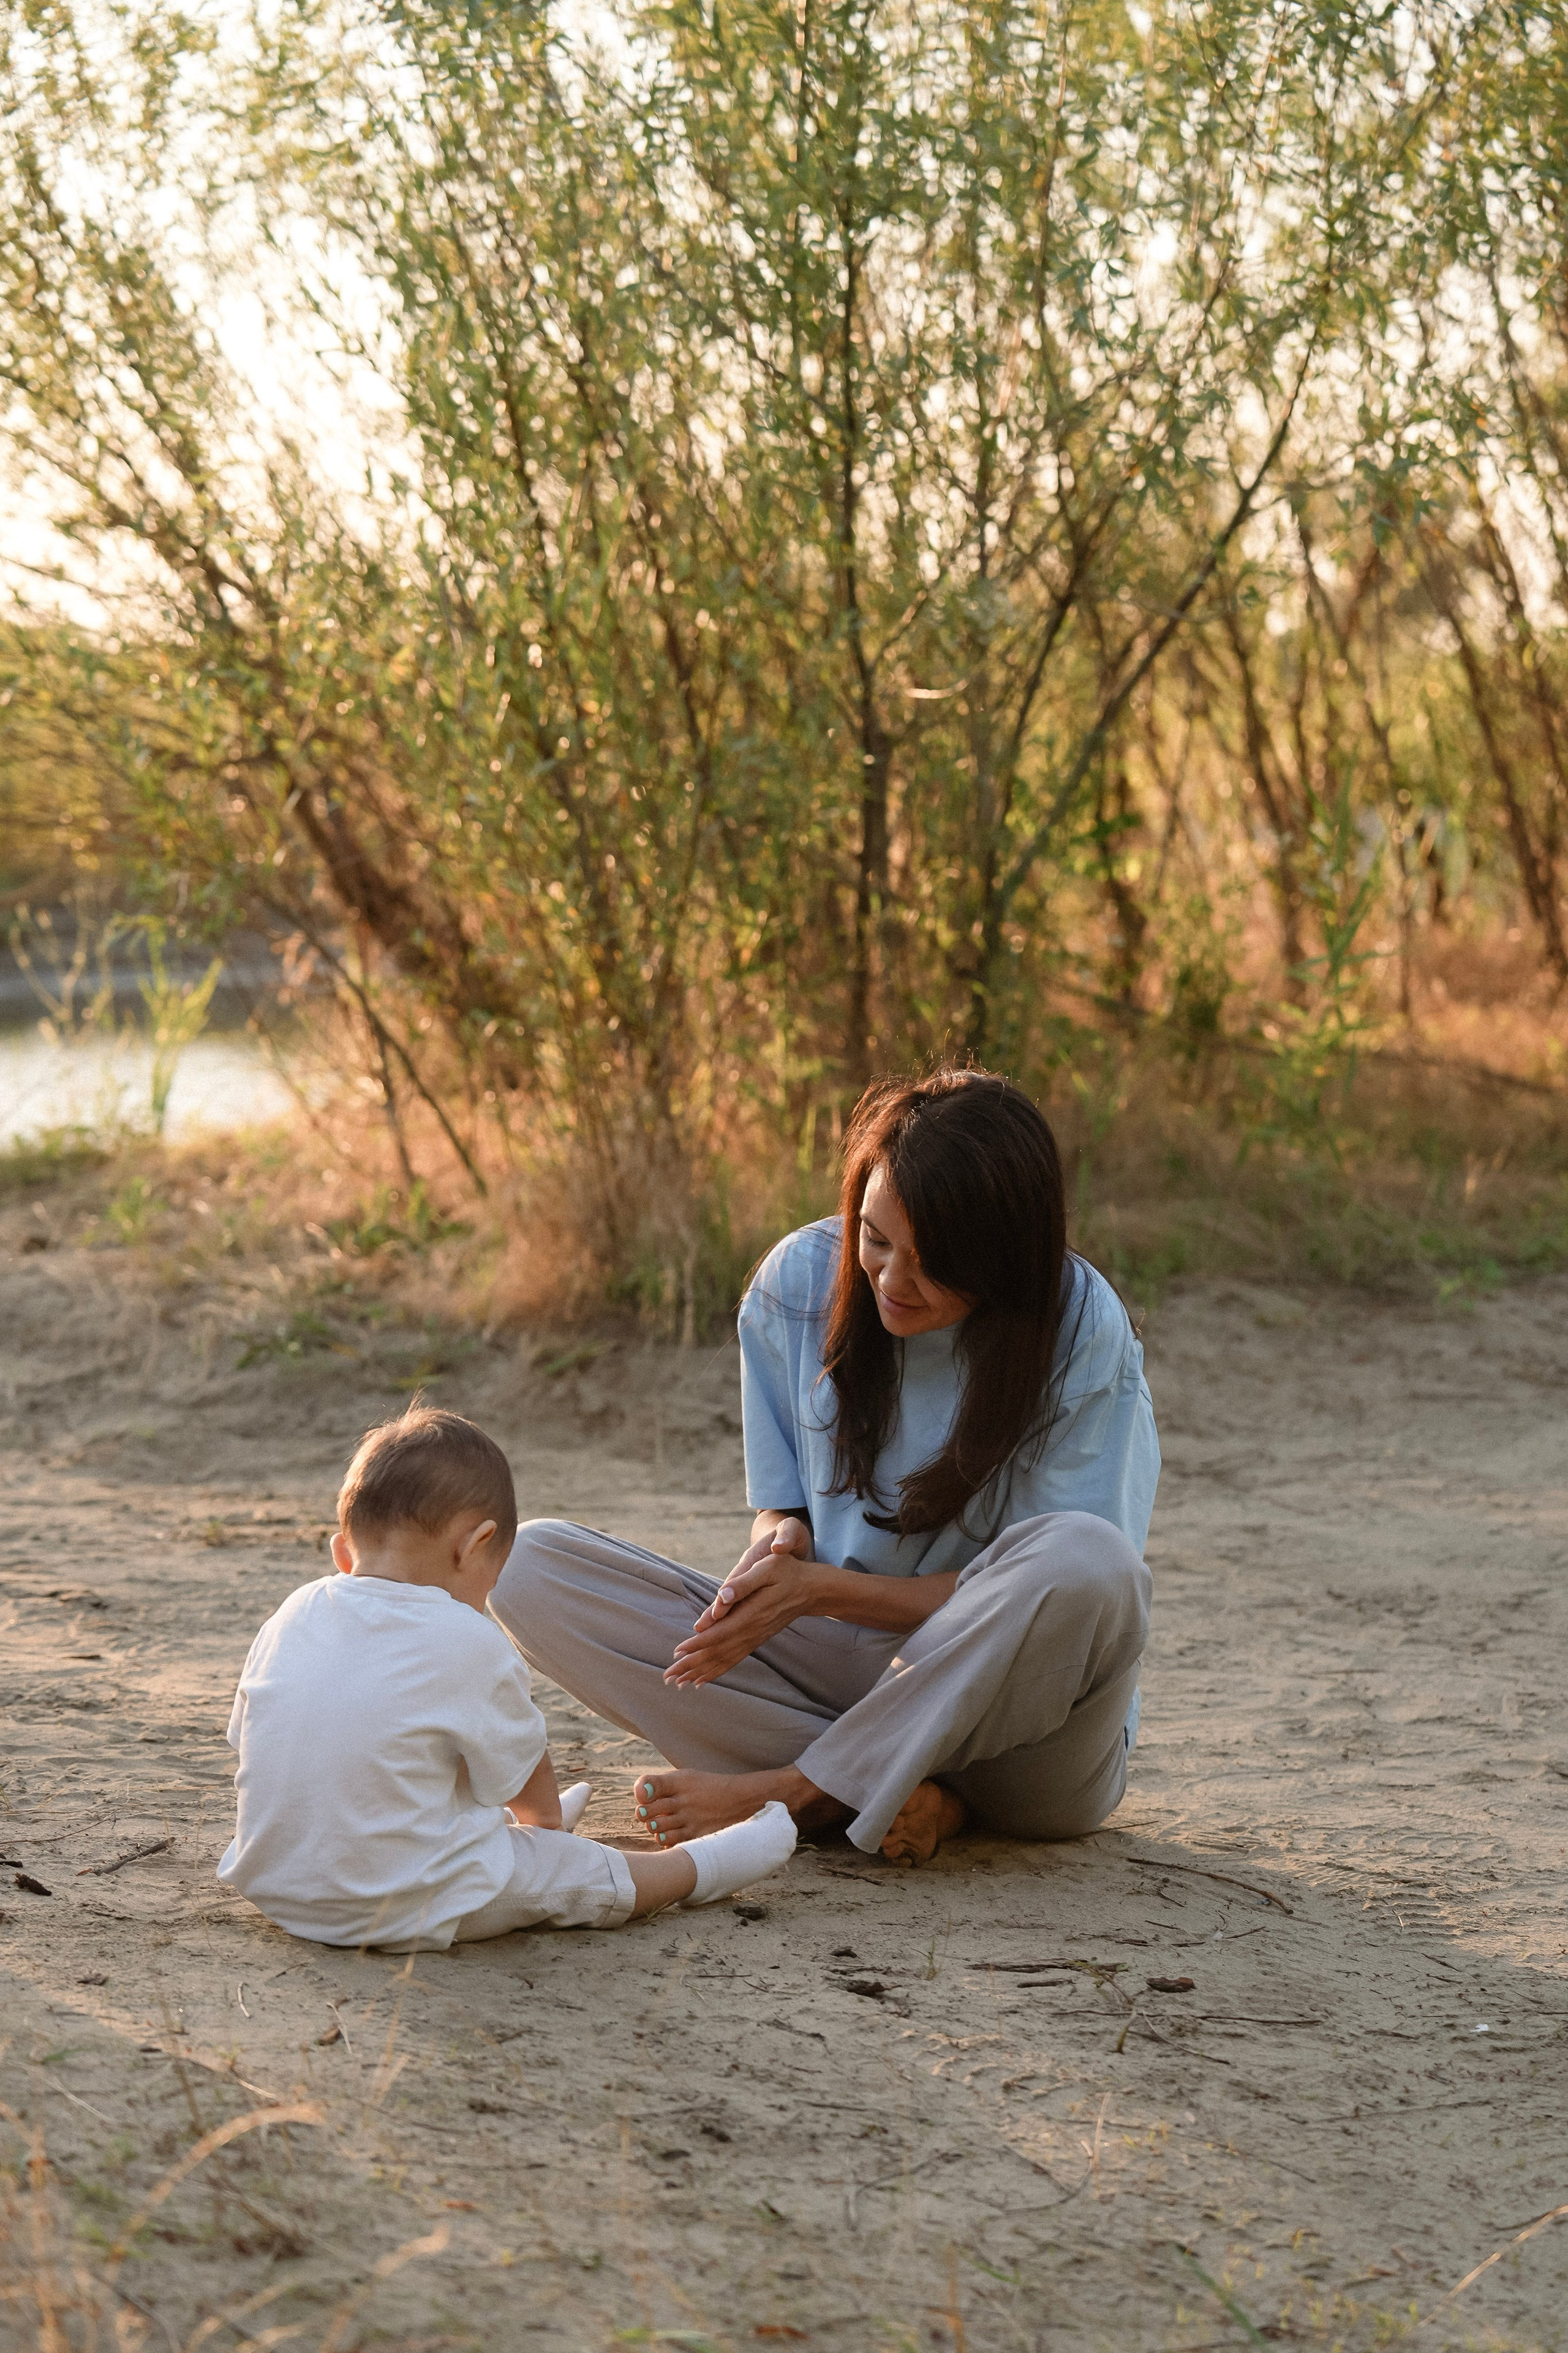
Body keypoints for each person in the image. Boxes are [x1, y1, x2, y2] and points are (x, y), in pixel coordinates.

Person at [491, 1067, 1159, 1867]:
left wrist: (822, 1593)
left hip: (1025, 1738)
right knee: (528, 1565)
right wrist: (778, 1554)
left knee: (1090, 1559)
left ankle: (805, 1792)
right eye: (876, 1238)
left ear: (1006, 1257)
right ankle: (910, 1795)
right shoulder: (797, 1283)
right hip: (844, 1677)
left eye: (934, 1263)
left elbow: (1059, 1602)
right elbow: (787, 1512)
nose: (891, 1280)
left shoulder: (1080, 1324)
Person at [217, 1407, 796, 1949]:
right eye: (490, 1580)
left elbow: (259, 1739)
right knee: (577, 1874)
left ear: (345, 1553)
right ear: (476, 1546)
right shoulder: (466, 1637)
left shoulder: (292, 1611)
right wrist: (542, 1831)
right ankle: (705, 1867)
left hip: (276, 1884)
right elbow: (526, 1770)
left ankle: (486, 1835)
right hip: (389, 1903)